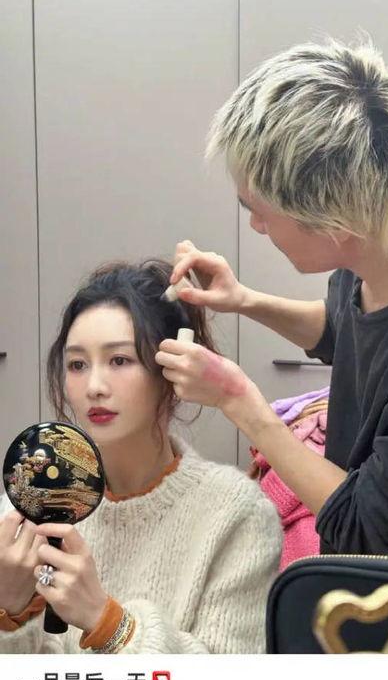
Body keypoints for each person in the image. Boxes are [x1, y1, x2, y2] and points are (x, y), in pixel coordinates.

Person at [156, 37, 388, 563]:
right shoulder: (387, 249)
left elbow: (369, 530)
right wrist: (243, 299)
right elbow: (344, 328)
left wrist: (239, 402)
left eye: (259, 209)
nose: (257, 225)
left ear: (335, 222)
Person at [0, 259, 282, 653]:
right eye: (77, 364)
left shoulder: (236, 514)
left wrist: (108, 623)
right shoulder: (25, 507)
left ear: (172, 371)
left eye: (119, 360)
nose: (94, 386)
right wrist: (9, 610)